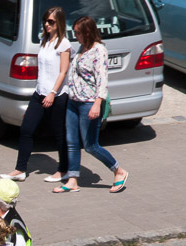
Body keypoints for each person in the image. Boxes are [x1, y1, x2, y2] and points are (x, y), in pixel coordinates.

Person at [55, 15, 130, 194]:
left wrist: (97, 104)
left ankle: (119, 171)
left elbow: (102, 80)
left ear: (87, 32)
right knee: (72, 142)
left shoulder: (99, 50)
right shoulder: (82, 48)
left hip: (88, 103)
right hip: (73, 102)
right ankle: (72, 180)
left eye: (78, 33)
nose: (75, 36)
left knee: (91, 145)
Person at [0, 6, 70, 183]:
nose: (46, 24)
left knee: (59, 133)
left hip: (57, 95)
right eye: (45, 21)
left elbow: (63, 71)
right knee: (26, 129)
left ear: (59, 22)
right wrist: (42, 89)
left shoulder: (64, 44)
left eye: (51, 21)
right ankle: (20, 170)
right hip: (39, 93)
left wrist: (52, 93)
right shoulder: (44, 41)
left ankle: (63, 170)